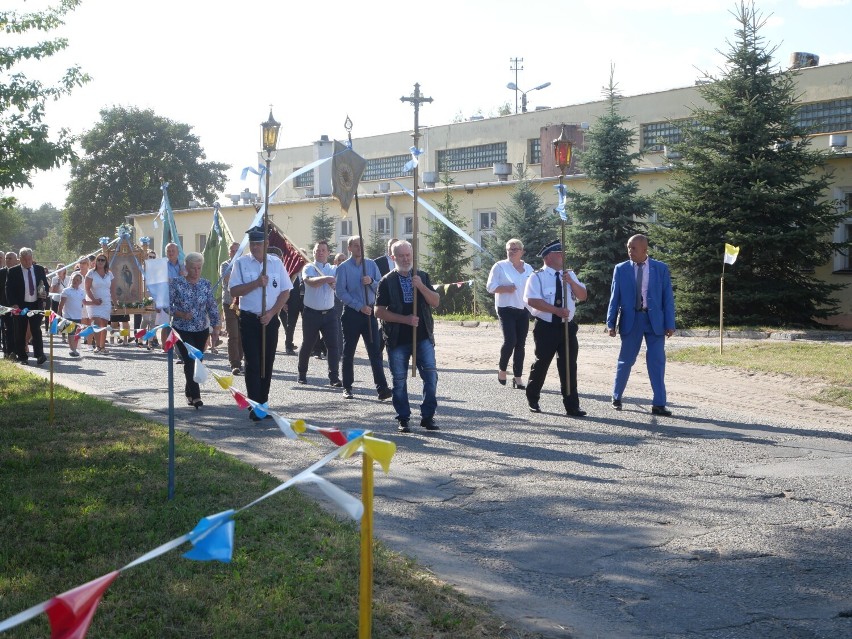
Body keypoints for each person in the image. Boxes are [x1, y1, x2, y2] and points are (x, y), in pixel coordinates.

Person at [606, 233, 676, 416]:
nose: (630, 251)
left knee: (657, 361)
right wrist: (611, 322)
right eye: (628, 247)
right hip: (632, 320)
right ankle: (616, 396)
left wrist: (670, 323)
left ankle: (659, 404)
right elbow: (615, 298)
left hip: (655, 322)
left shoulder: (660, 269)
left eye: (634, 248)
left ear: (645, 250)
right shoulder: (621, 269)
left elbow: (668, 298)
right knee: (625, 360)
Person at [375, 240, 441, 433]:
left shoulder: (422, 276)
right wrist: (405, 319)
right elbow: (378, 311)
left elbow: (435, 301)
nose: (405, 259)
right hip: (397, 339)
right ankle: (403, 418)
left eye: (408, 255)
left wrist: (420, 286)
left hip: (422, 337)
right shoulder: (386, 281)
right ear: (393, 257)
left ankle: (428, 417)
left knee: (431, 376)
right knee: (399, 380)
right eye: (401, 256)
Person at [229, 227, 292, 421]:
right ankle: (255, 405)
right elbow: (234, 291)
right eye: (253, 244)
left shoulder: (276, 263)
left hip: (270, 320)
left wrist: (273, 313)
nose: (256, 247)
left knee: (267, 361)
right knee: (253, 363)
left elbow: (285, 290)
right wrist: (256, 283)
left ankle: (263, 403)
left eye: (260, 243)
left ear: (266, 245)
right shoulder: (241, 263)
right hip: (249, 319)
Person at [523, 239, 588, 417]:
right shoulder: (537, 277)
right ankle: (533, 397)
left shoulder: (569, 274)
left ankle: (572, 405)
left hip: (567, 327)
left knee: (568, 366)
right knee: (542, 363)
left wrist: (571, 283)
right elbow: (532, 300)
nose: (564, 256)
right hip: (546, 327)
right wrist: (556, 311)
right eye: (561, 254)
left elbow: (583, 295)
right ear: (550, 257)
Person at [335, 236, 393, 401]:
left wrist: (371, 282)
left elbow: (381, 286)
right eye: (355, 245)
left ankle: (382, 389)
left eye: (361, 245)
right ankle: (347, 387)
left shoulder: (371, 265)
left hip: (370, 314)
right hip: (353, 314)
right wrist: (358, 306)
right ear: (350, 248)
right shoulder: (343, 268)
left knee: (375, 352)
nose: (359, 248)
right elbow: (340, 292)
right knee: (349, 351)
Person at [170, 252, 221, 409]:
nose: (196, 271)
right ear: (186, 267)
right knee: (190, 360)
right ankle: (197, 396)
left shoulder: (205, 284)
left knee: (197, 361)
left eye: (199, 268)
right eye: (193, 268)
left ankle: (189, 392)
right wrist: (180, 314)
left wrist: (216, 325)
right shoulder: (177, 283)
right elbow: (167, 305)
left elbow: (211, 306)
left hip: (201, 329)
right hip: (182, 329)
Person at [486, 238, 534, 389]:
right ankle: (502, 369)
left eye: (515, 249)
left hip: (523, 309)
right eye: (509, 249)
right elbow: (490, 287)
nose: (512, 252)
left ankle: (518, 377)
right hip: (505, 308)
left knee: (521, 344)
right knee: (510, 341)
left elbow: (533, 287)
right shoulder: (499, 266)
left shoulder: (529, 268)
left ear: (522, 251)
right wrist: (505, 288)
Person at [297, 241, 342, 386]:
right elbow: (310, 282)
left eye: (323, 250)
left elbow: (340, 283)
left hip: (329, 314)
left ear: (328, 253)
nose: (320, 252)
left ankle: (334, 377)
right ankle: (302, 374)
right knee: (308, 344)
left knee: (333, 346)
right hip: (311, 314)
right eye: (318, 250)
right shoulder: (309, 267)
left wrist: (336, 282)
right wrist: (327, 279)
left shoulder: (334, 269)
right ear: (314, 252)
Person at [5, 247, 50, 365]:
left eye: (30, 259)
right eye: (25, 260)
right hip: (20, 305)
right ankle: (22, 356)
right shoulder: (13, 271)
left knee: (36, 330)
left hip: (36, 303)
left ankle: (40, 355)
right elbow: (8, 289)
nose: (28, 262)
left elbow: (45, 285)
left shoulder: (39, 269)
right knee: (20, 330)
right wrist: (13, 304)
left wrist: (45, 294)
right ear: (20, 259)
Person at [220, 241, 244, 374]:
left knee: (242, 334)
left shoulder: (245, 264)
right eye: (232, 251)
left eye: (237, 251)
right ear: (229, 252)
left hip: (243, 303)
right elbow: (228, 279)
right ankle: (234, 363)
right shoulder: (225, 265)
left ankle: (240, 360)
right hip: (229, 303)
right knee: (233, 334)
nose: (234, 253)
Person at [85, 253, 116, 354]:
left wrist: (115, 302)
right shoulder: (91, 273)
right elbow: (87, 289)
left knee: (104, 324)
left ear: (106, 262)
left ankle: (103, 346)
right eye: (99, 260)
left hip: (106, 302)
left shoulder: (109, 274)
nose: (100, 262)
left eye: (103, 260)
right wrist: (94, 300)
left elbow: (113, 290)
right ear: (96, 262)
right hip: (94, 301)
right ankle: (97, 346)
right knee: (97, 323)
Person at [159, 242, 185, 349]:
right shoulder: (162, 265)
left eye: (173, 251)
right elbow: (159, 281)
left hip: (180, 297)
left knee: (179, 324)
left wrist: (184, 275)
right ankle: (165, 346)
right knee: (165, 323)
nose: (171, 253)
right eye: (168, 251)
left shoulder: (183, 265)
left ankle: (178, 347)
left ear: (178, 252)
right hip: (166, 296)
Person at [58, 272, 86, 357]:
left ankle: (74, 348)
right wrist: (59, 315)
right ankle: (72, 349)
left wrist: (95, 302)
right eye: (74, 279)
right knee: (70, 333)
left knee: (76, 333)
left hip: (78, 315)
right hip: (68, 315)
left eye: (77, 280)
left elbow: (84, 302)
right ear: (71, 280)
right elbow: (61, 303)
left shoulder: (82, 292)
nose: (75, 281)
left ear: (80, 282)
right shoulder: (66, 290)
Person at [283, 272, 302, 355]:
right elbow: (285, 288)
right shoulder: (292, 272)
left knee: (309, 326)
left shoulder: (309, 270)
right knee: (290, 325)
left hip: (306, 302)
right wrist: (284, 302)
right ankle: (289, 346)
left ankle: (312, 348)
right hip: (292, 303)